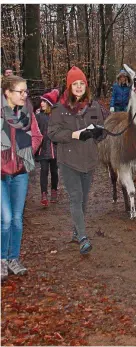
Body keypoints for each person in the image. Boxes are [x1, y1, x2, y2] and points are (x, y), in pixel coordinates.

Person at [48, 66, 105, 255]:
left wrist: (99, 133)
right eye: (75, 84)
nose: (79, 87)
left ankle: (75, 230)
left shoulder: (94, 106)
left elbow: (102, 130)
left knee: (83, 200)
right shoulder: (59, 108)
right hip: (69, 160)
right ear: (69, 86)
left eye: (82, 83)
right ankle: (82, 237)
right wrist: (73, 134)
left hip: (89, 159)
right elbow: (52, 133)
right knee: (76, 197)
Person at [1, 76, 43, 281]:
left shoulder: (27, 112)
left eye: (26, 91)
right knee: (6, 219)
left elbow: (37, 136)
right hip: (0, 174)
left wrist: (25, 156)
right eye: (20, 91)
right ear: (7, 92)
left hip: (20, 173)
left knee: (17, 219)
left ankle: (13, 258)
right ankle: (1, 259)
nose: (25, 95)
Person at [35, 89, 60, 207]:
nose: (42, 103)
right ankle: (44, 194)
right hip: (43, 149)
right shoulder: (38, 116)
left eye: (44, 102)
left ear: (50, 104)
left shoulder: (56, 116)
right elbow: (35, 132)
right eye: (41, 101)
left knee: (54, 172)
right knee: (43, 171)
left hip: (55, 150)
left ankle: (54, 191)